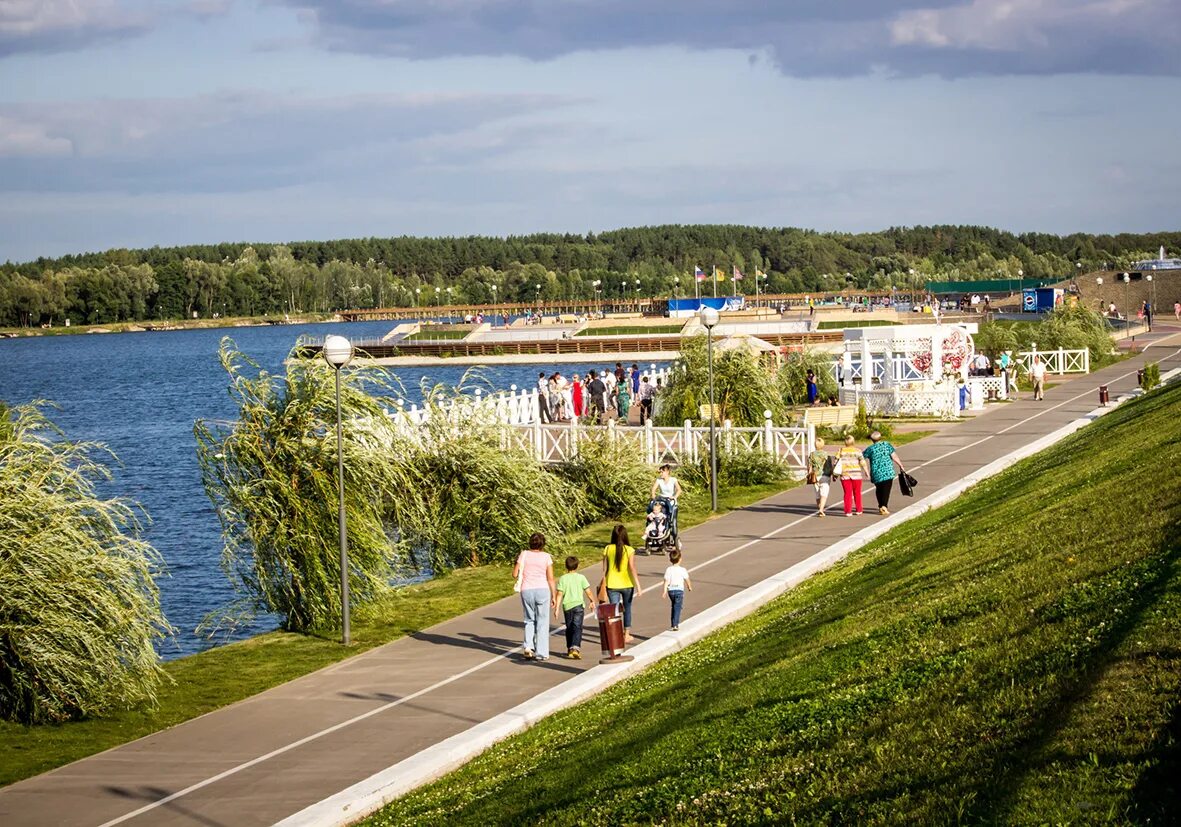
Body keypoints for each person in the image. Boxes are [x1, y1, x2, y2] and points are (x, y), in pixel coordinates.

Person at [513, 533, 556, 661]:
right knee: (542, 621)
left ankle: (528, 647)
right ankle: (542, 653)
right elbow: (551, 578)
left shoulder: (523, 554)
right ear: (543, 544)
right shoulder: (547, 557)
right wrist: (554, 595)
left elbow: (515, 574)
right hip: (542, 590)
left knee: (529, 619)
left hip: (527, 590)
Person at [602, 524, 642, 643]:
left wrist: (603, 581)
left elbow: (604, 568)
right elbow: (632, 567)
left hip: (612, 583)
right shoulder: (629, 550)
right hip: (627, 583)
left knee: (614, 610)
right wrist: (638, 585)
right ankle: (626, 634)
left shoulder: (608, 548)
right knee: (627, 608)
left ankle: (615, 634)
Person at [554, 556, 595, 659]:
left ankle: (570, 648)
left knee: (569, 627)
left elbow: (559, 594)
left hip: (567, 607)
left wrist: (557, 608)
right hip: (578, 605)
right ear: (578, 566)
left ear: (566, 566)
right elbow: (588, 591)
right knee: (577, 627)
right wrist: (592, 601)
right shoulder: (581, 577)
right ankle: (575, 648)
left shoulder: (563, 578)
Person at [862, 431, 906, 516]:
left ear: (872, 439)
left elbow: (861, 457)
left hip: (876, 473)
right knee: (886, 489)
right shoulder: (887, 445)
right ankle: (884, 506)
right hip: (888, 472)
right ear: (880, 437)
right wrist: (900, 465)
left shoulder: (870, 449)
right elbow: (894, 456)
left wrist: (865, 469)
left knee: (879, 489)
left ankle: (881, 505)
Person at [834, 435, 868, 517]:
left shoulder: (841, 451)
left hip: (845, 474)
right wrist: (866, 471)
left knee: (847, 493)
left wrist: (834, 475)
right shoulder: (858, 451)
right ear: (853, 442)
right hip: (856, 474)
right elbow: (862, 461)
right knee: (857, 492)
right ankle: (859, 509)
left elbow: (835, 463)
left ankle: (848, 511)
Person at [662, 550, 692, 631]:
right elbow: (687, 579)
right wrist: (689, 586)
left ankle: (673, 623)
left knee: (674, 606)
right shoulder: (682, 570)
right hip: (679, 590)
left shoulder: (669, 569)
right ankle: (675, 624)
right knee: (677, 607)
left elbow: (666, 581)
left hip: (671, 591)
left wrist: (664, 591)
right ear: (680, 559)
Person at [807, 437, 834, 517]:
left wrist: (809, 474)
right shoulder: (826, 455)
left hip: (815, 476)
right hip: (825, 475)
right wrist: (832, 474)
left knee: (817, 494)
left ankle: (819, 508)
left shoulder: (812, 454)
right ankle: (821, 509)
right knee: (824, 493)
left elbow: (809, 466)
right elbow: (829, 466)